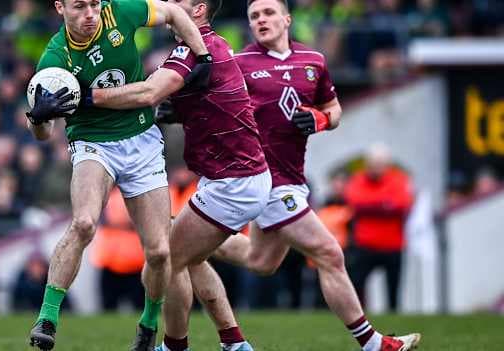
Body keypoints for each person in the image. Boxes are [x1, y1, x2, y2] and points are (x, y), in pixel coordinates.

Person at [199, 1, 420, 351]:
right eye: (254, 16)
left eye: (269, 13)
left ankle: (190, 240)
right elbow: (208, 102)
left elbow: (333, 110)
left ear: (287, 19)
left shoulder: (313, 61)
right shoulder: (240, 64)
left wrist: (319, 119)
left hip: (293, 176)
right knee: (329, 252)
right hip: (266, 178)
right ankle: (374, 344)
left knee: (262, 261)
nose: (261, 20)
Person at [24, 1, 211, 350]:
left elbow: (172, 12)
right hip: (94, 144)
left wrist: (203, 56)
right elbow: (44, 132)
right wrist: (37, 119)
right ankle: (47, 318)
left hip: (141, 139)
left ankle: (147, 326)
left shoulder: (120, 11)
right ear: (60, 7)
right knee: (83, 223)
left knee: (158, 252)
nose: (91, 13)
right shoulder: (54, 61)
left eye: (95, 4)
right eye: (80, 6)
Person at [89, 1, 269, 350]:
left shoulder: (193, 47)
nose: (168, 5)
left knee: (164, 262)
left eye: (179, 1)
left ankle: (174, 346)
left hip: (234, 182)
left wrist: (87, 96)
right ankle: (234, 343)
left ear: (198, 9)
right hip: (232, 179)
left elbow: (149, 92)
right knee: (189, 255)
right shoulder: (211, 45)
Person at [344, 143, 414, 312]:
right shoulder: (358, 179)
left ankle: (393, 315)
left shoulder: (399, 179)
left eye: (380, 164)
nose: (375, 168)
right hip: (365, 244)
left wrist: (373, 206)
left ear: (387, 165)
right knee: (357, 283)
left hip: (393, 245)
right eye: (373, 163)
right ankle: (358, 317)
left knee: (393, 289)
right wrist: (384, 205)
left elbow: (402, 204)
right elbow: (355, 203)